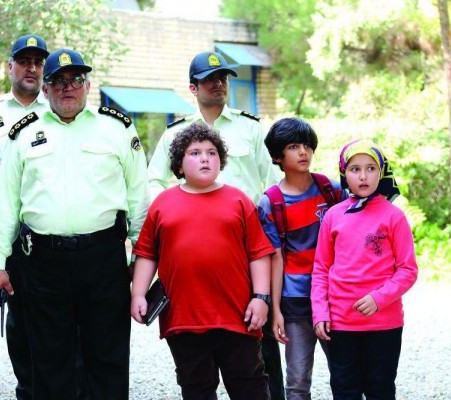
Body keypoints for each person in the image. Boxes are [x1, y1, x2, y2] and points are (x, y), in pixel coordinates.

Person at [0, 48, 149, 400]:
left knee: (107, 359)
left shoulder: (117, 128)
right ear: (45, 90)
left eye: (75, 79)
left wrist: (143, 259)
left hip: (104, 260)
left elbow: (140, 200)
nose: (68, 87)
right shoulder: (24, 133)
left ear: (87, 85)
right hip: (43, 264)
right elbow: (8, 205)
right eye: (58, 81)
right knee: (49, 361)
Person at [147, 50, 284, 399]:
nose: (218, 83)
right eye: (209, 79)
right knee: (198, 356)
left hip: (248, 243)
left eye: (222, 77)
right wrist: (175, 218)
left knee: (259, 340)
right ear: (193, 88)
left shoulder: (250, 128)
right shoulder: (176, 133)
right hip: (197, 244)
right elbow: (154, 182)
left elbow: (271, 185)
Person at [132, 123, 275, 400]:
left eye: (211, 152)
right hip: (183, 319)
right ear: (179, 164)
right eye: (195, 153)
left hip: (237, 317)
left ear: (221, 160)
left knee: (249, 385)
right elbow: (147, 253)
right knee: (196, 388)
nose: (205, 158)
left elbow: (259, 253)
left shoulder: (239, 200)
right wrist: (138, 293)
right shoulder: (162, 203)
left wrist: (261, 298)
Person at [311, 139, 417, 399]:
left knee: (380, 389)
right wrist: (320, 311)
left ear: (381, 172)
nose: (363, 176)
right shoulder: (333, 215)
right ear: (344, 173)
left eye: (370, 168)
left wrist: (379, 298)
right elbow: (321, 268)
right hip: (341, 322)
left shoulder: (394, 216)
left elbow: (407, 270)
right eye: (355, 169)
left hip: (384, 323)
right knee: (345, 389)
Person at [0, 33, 49, 400]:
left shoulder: (58, 109)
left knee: (60, 317)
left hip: (51, 231)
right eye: (24, 61)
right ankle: (27, 390)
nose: (31, 68)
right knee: (19, 320)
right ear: (10, 66)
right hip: (12, 234)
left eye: (38, 62)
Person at [258, 118, 346, 400]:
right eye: (293, 147)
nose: (303, 152)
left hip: (335, 297)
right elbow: (275, 259)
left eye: (307, 145)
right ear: (277, 157)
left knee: (346, 375)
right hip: (295, 300)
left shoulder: (332, 191)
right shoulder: (271, 203)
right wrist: (276, 311)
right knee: (297, 381)